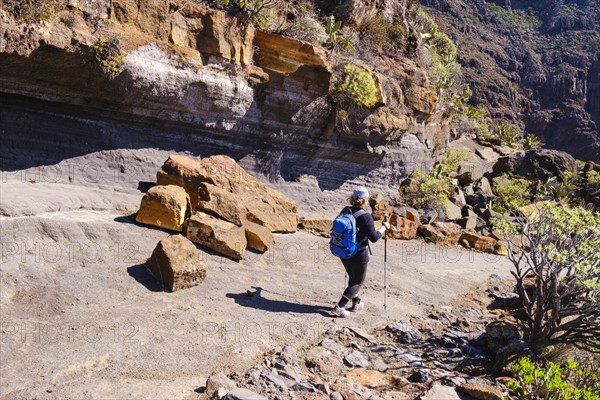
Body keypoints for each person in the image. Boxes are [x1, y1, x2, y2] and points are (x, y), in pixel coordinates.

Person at [332, 186, 389, 317]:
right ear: (365, 201)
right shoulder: (366, 217)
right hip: (359, 254)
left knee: (353, 277)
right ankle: (339, 307)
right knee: (358, 282)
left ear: (353, 198)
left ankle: (356, 302)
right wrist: (384, 228)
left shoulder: (345, 210)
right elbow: (374, 237)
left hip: (344, 251)